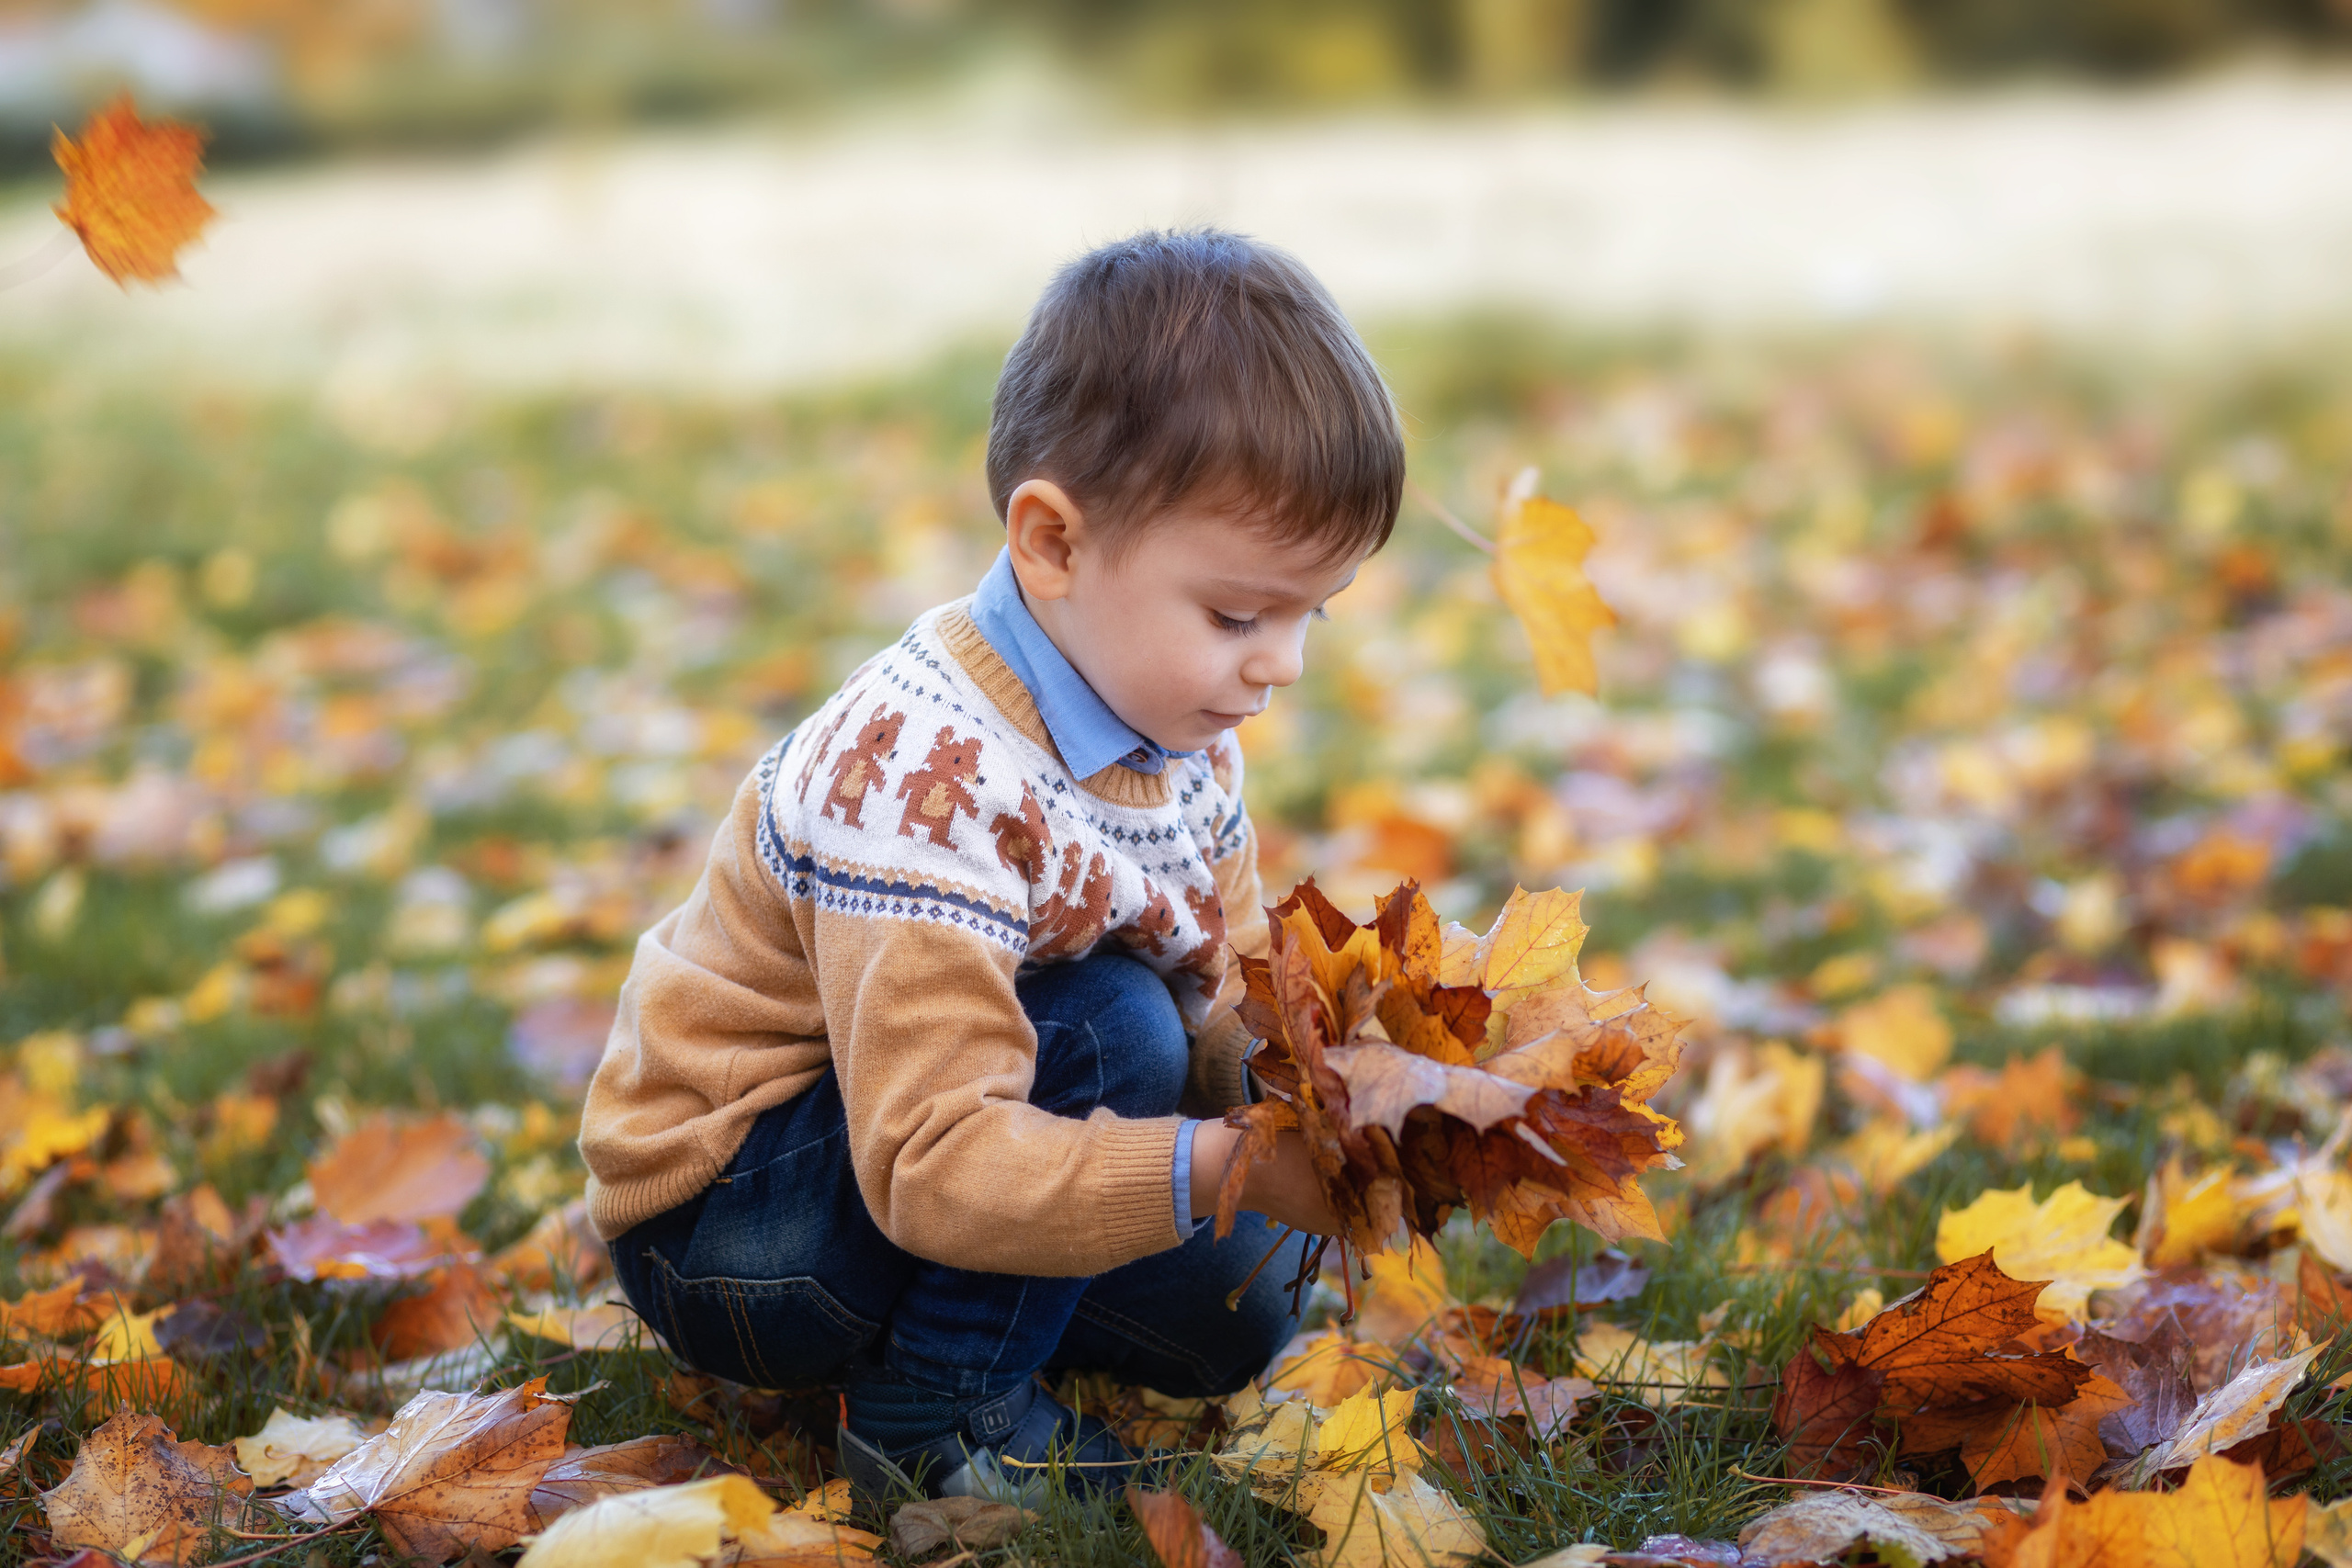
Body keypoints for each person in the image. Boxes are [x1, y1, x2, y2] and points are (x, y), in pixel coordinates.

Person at [578, 228, 1403, 1506]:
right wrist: (1218, 1163)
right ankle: (935, 1434)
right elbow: (928, 1161)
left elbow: (1229, 991)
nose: (1281, 663)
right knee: (1113, 1026)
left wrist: (1345, 1108)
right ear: (1054, 544)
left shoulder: (1175, 733)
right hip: (742, 1223)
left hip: (928, 1150)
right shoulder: (924, 774)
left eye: (1315, 613)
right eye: (1240, 615)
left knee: (1235, 1321)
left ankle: (968, 1329)